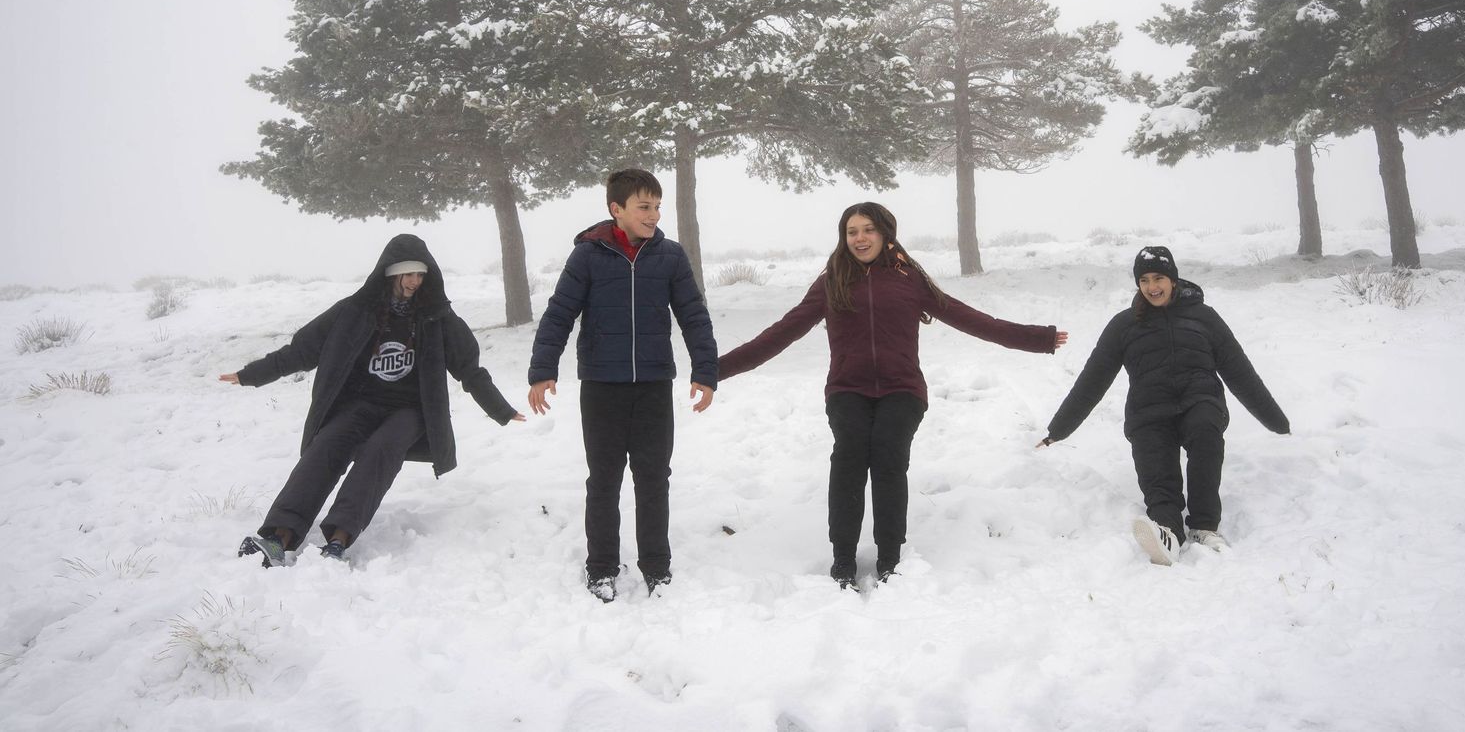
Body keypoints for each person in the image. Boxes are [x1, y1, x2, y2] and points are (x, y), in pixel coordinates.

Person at [717, 201, 1067, 590]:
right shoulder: (831, 280)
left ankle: (889, 557)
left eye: (868, 229)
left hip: (903, 389)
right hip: (848, 389)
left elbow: (969, 317)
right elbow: (782, 332)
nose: (860, 238)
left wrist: (1037, 338)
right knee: (849, 455)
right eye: (852, 232)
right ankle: (843, 559)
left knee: (887, 454)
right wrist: (716, 370)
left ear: (885, 234)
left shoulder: (908, 278)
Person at [221, 234, 525, 566]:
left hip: (410, 410)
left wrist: (501, 409)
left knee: (379, 451)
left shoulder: (438, 318)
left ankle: (339, 538)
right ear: (390, 273)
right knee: (326, 447)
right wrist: (251, 374)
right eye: (407, 274)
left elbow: (470, 370)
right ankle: (278, 537)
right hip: (361, 404)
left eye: (420, 274)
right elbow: (302, 350)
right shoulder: (353, 311)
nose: (413, 281)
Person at [526, 168, 717, 602]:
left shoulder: (669, 256)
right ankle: (601, 568)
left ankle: (657, 567)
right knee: (605, 480)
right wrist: (542, 370)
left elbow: (694, 315)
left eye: (657, 206)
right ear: (617, 210)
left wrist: (705, 371)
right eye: (643, 207)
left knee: (653, 478)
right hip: (601, 387)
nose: (653, 214)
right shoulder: (588, 257)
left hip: (652, 386)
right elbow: (559, 314)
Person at [1038, 245, 1290, 565]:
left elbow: (1240, 372)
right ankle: (1167, 531)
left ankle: (1203, 526)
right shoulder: (1124, 325)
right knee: (1155, 463)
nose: (1152, 286)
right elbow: (1091, 381)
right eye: (1144, 280)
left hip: (1200, 400)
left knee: (1205, 432)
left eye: (1158, 277)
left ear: (1173, 278)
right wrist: (1057, 431)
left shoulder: (1204, 317)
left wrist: (1279, 424)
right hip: (1149, 411)